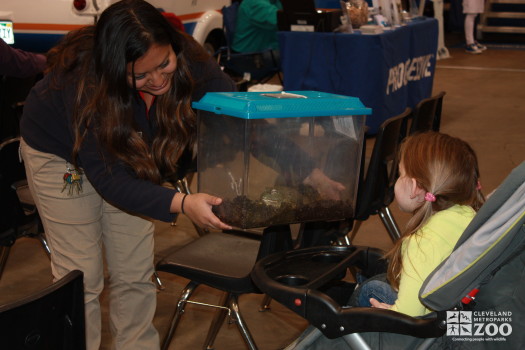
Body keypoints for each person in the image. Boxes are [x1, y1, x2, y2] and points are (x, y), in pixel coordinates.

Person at [19, 0, 236, 349]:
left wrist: (305, 165)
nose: (158, 80)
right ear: (114, 67)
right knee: (82, 274)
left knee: (134, 270)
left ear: (172, 44)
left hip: (128, 151)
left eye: (164, 64)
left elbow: (234, 115)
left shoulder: (189, 56)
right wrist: (182, 202)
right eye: (140, 75)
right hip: (65, 161)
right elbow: (111, 181)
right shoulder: (87, 86)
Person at [288, 131, 485, 349]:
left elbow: (410, 313)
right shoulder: (469, 214)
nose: (396, 182)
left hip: (424, 325)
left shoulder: (422, 241)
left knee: (369, 291)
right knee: (380, 278)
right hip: (454, 309)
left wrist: (390, 314)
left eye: (400, 175)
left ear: (415, 187)